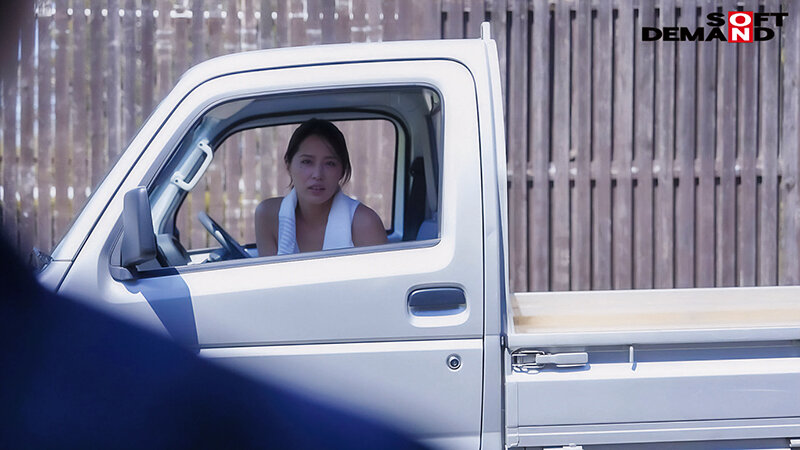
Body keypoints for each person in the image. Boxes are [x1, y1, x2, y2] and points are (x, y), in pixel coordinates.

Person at [255, 118, 387, 256]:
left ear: (342, 170)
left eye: (330, 163)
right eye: (307, 162)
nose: (317, 175)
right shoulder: (268, 215)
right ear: (288, 164)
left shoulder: (365, 223)